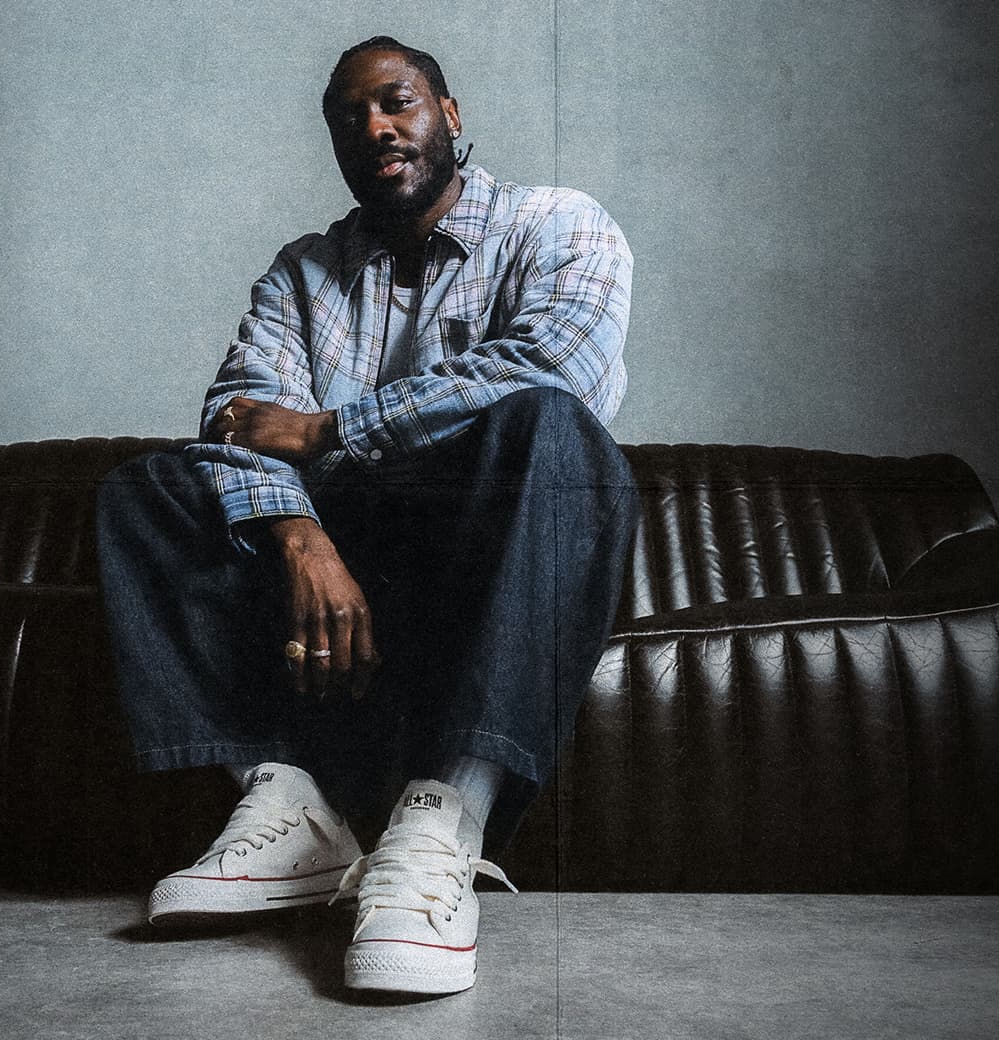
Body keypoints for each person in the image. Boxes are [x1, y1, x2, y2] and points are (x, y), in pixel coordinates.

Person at [95, 35, 638, 997]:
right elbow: (239, 419)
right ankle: (286, 811)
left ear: (451, 115)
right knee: (147, 486)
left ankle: (443, 824)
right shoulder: (301, 274)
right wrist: (302, 540)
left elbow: (556, 366)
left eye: (399, 102)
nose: (378, 128)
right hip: (338, 547)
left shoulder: (557, 223)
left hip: (484, 542)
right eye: (352, 118)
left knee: (552, 428)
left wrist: (333, 426)